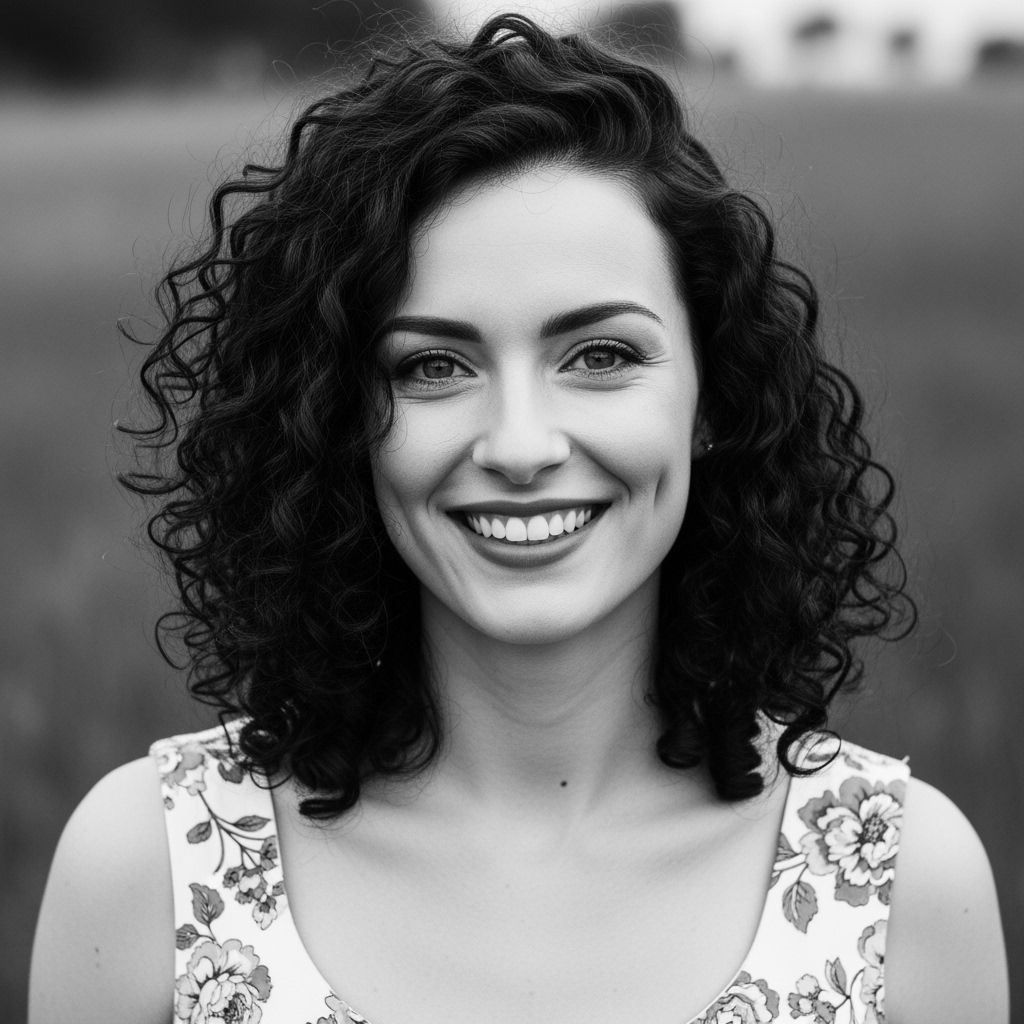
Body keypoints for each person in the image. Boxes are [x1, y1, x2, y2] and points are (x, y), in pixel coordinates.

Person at [29, 12, 1007, 1024]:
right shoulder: (148, 868)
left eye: (600, 356)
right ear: (337, 419)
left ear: (713, 400)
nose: (522, 445)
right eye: (432, 366)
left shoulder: (898, 887)